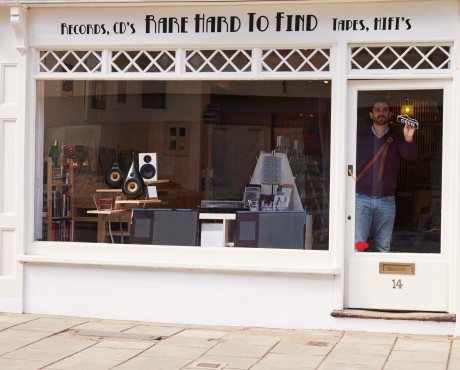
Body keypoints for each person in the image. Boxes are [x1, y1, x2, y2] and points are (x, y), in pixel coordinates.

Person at [355, 99, 418, 252]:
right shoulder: (360, 137)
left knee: (383, 247)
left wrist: (408, 139)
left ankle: (379, 277)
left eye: (384, 109)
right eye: (377, 109)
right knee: (359, 246)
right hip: (361, 198)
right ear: (371, 114)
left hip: (386, 200)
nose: (381, 112)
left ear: (390, 114)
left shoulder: (397, 138)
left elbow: (411, 156)